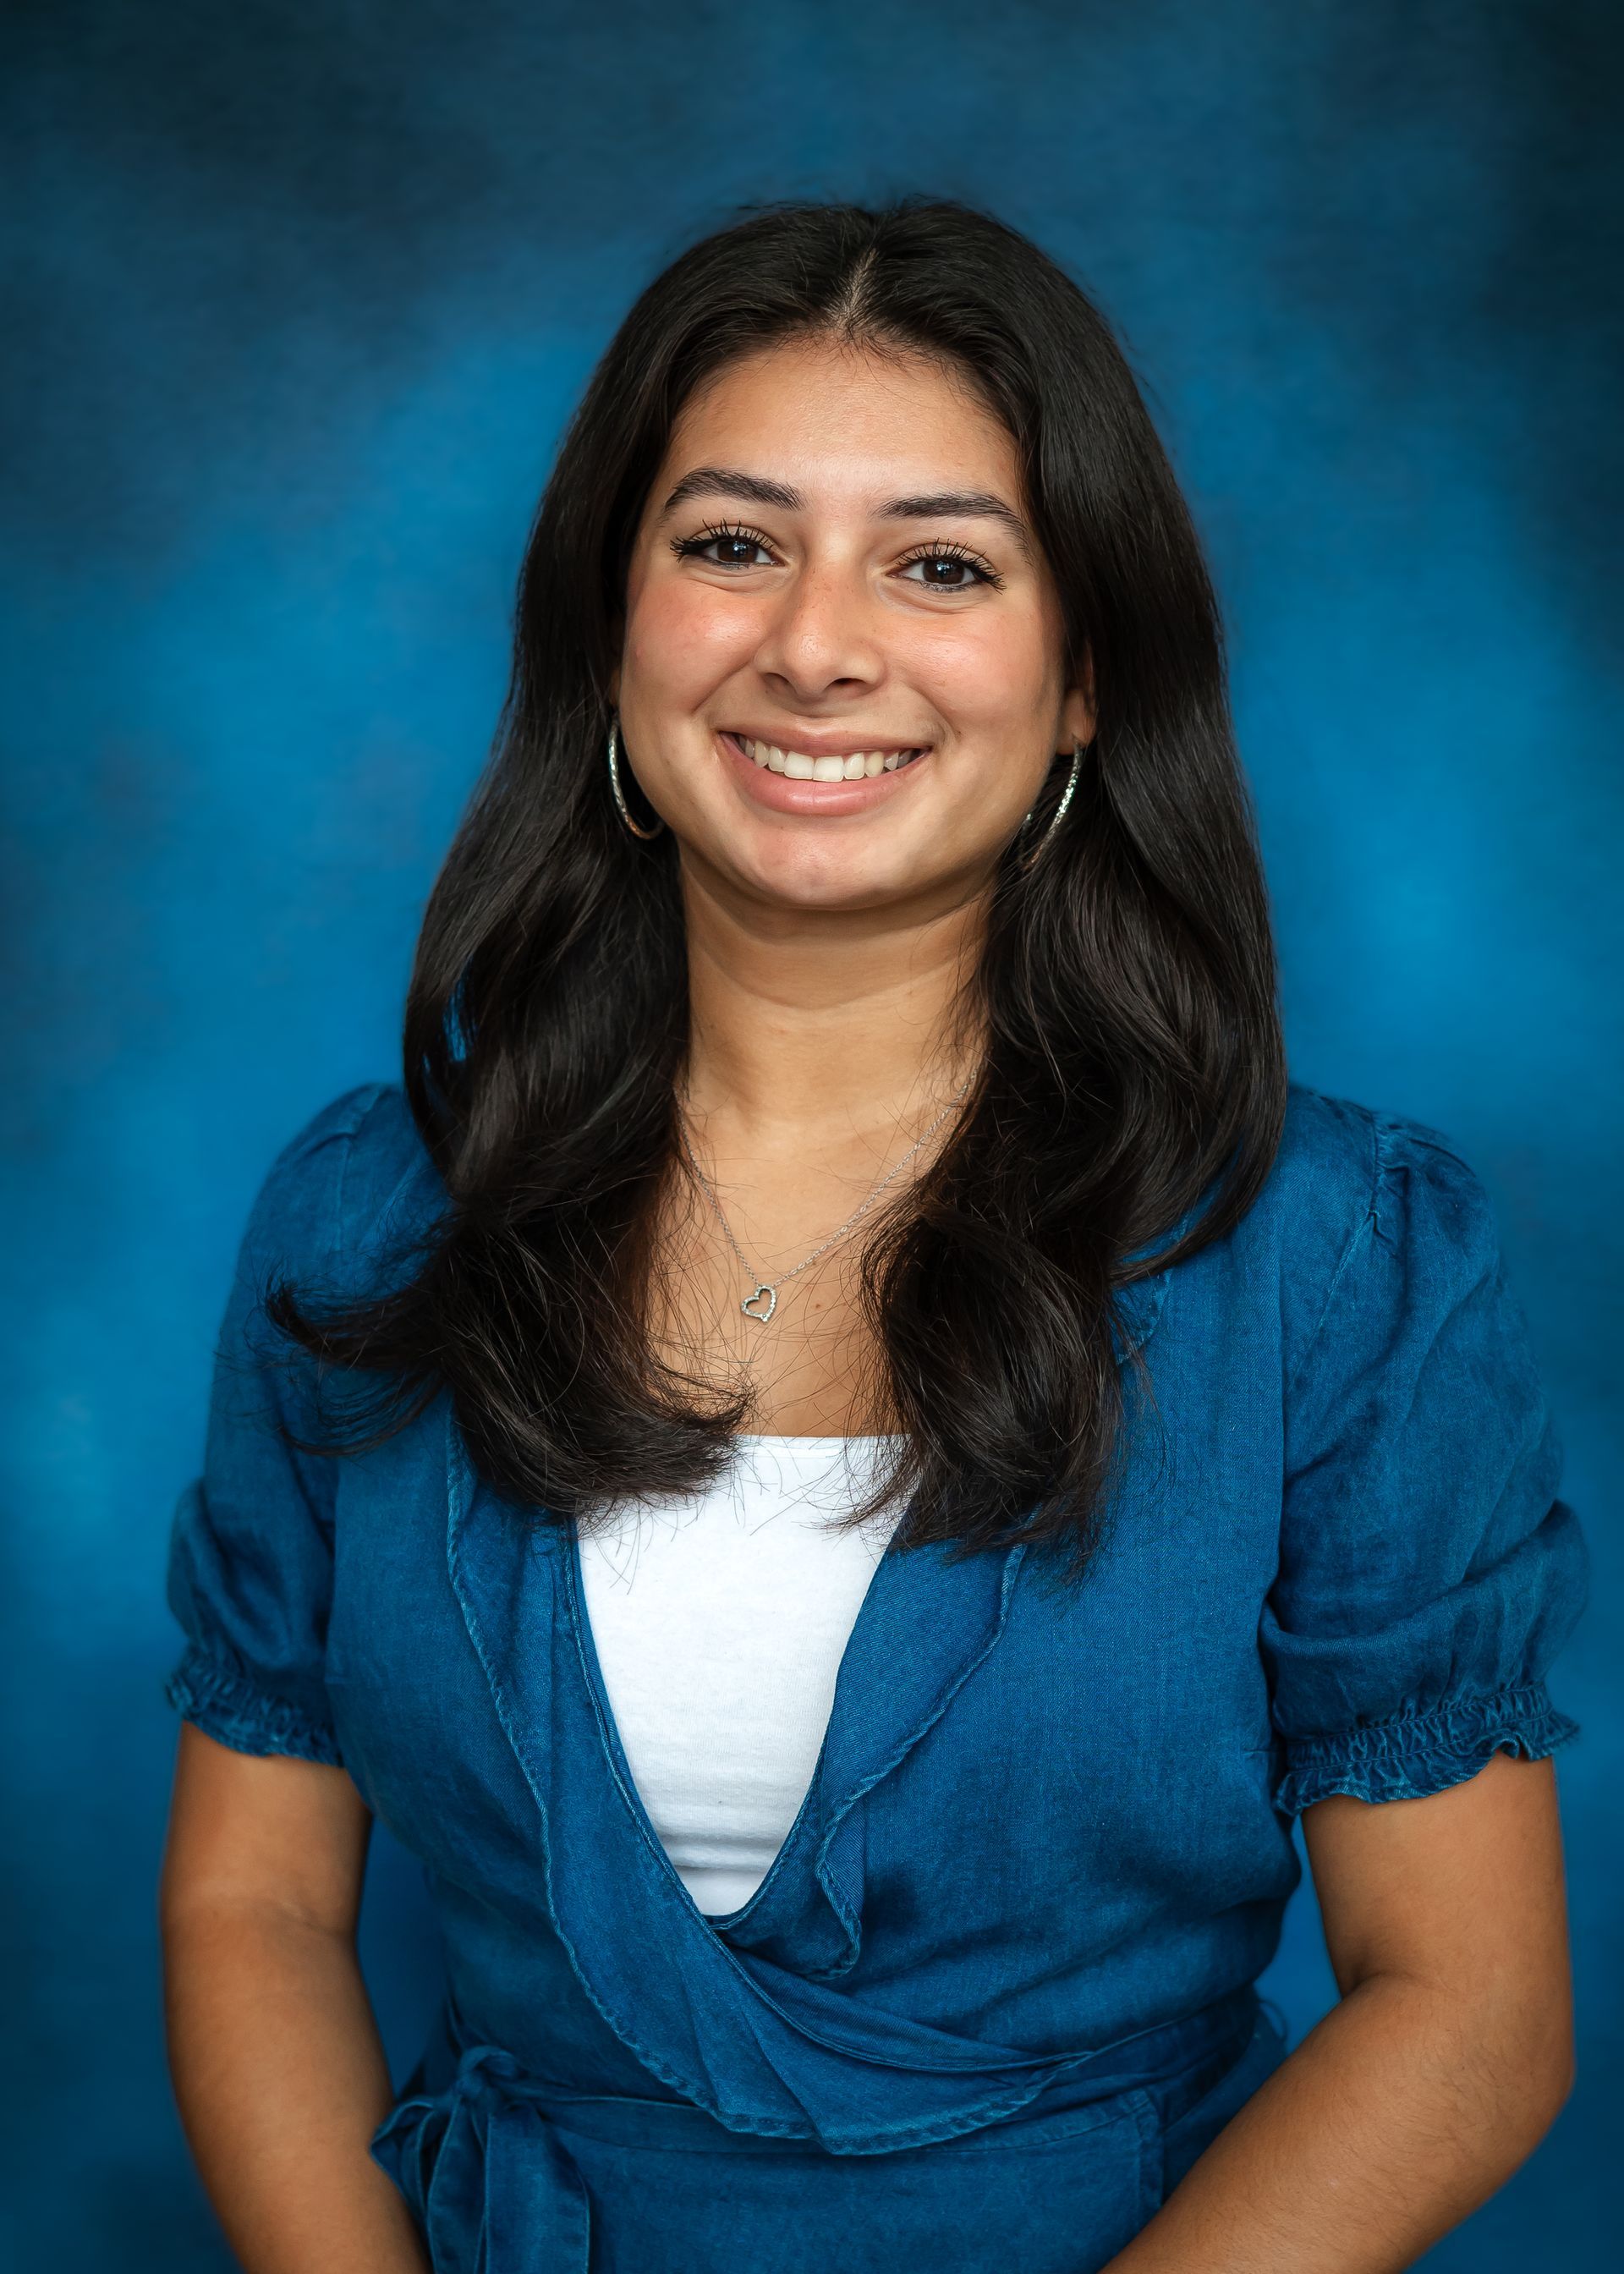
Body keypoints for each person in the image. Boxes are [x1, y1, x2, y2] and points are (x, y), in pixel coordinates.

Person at [157, 197, 1589, 2274]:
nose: (816, 645)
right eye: (732, 543)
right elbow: (253, 1902)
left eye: (940, 565)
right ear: (609, 626)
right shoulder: (371, 1219)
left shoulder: (1343, 1259)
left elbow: (1472, 2012)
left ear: (1086, 679)